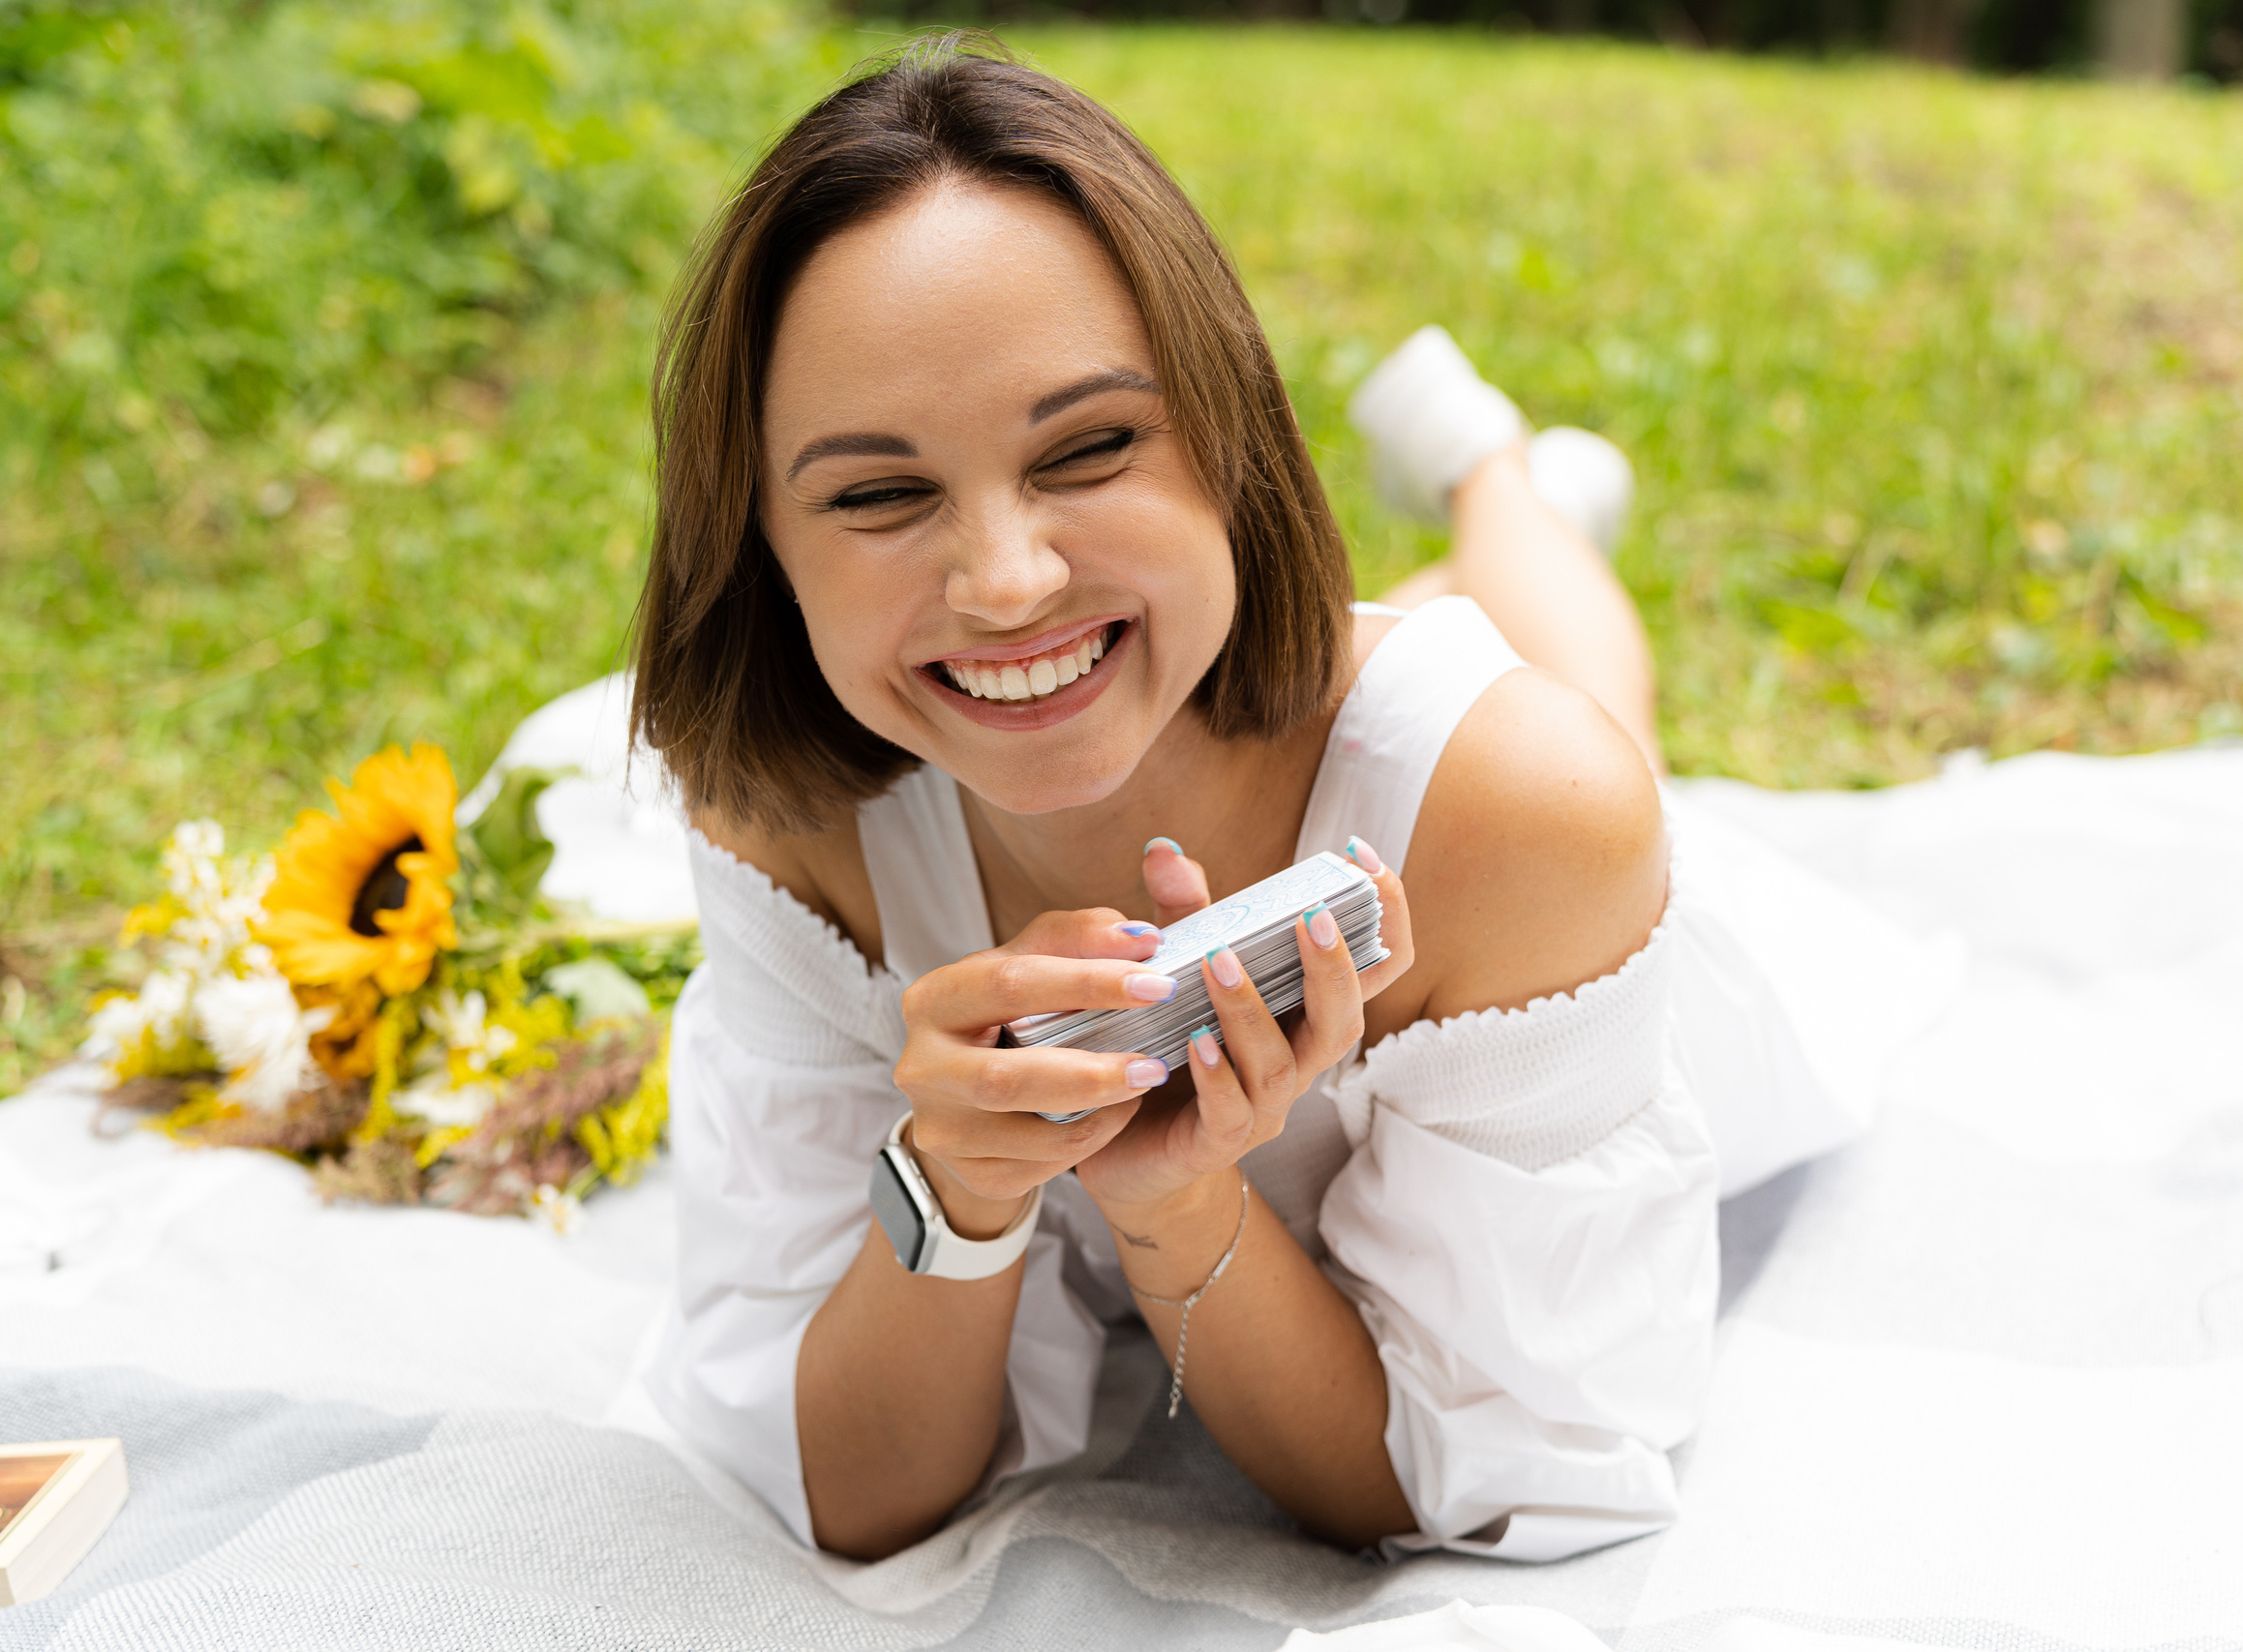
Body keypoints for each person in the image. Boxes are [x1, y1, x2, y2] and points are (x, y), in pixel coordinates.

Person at [636, 38, 1730, 1567]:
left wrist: (1180, 1206)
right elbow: (854, 1489)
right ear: (763, 550)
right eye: (880, 494)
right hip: (1238, 682)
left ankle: (1493, 473)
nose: (1005, 579)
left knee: (1590, 718)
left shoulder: (1531, 817)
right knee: (1200, 653)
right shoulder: (792, 825)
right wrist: (954, 1185)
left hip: (1542, 865)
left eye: (1089, 448)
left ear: (1232, 438)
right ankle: (1484, 529)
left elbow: (1427, 1485)